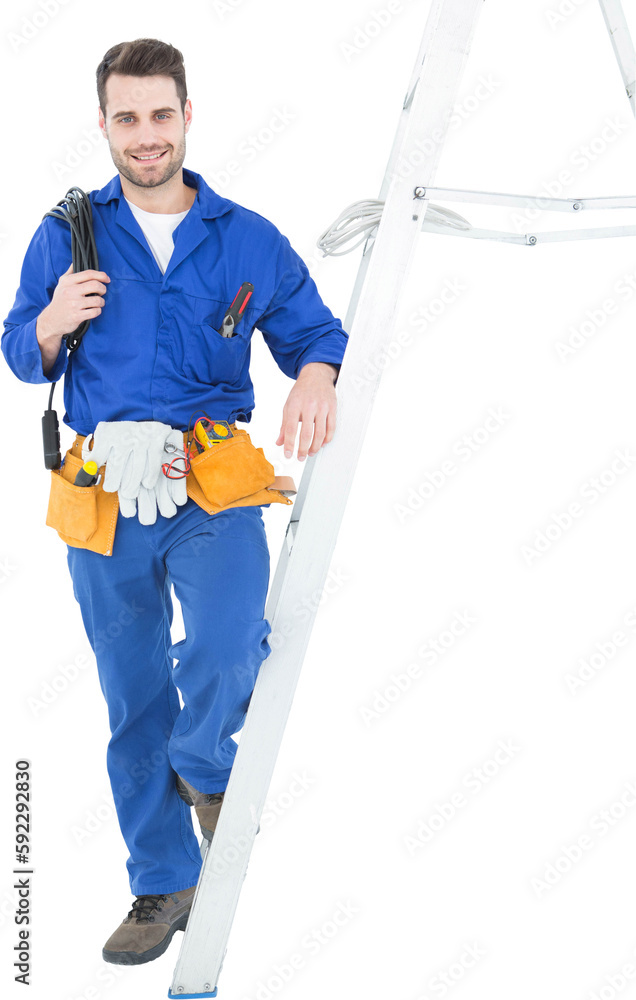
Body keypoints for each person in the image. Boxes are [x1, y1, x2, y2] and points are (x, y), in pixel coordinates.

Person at [1, 37, 347, 967]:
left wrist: (316, 375)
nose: (145, 135)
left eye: (161, 115)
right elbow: (16, 348)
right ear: (105, 124)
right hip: (102, 487)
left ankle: (205, 766)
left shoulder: (243, 235)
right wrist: (48, 321)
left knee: (235, 639)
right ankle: (162, 884)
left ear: (188, 116)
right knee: (132, 693)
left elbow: (313, 329)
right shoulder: (65, 232)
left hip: (210, 476)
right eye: (127, 118)